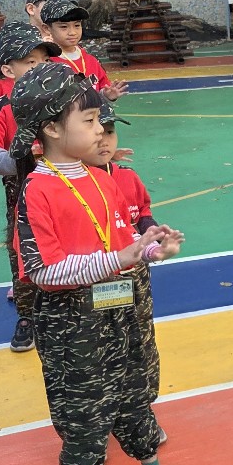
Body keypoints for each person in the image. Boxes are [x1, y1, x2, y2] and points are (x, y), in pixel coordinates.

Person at [9, 63, 184, 465]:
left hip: (122, 309)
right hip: (73, 324)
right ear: (51, 129)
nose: (99, 131)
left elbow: (123, 240)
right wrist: (119, 259)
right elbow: (44, 271)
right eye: (88, 121)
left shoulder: (104, 179)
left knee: (134, 390)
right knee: (81, 408)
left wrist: (153, 249)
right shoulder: (37, 190)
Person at [0, 24, 62, 351]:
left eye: (43, 61)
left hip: (68, 191)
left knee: (70, 246)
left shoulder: (64, 97)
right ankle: (27, 316)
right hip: (23, 197)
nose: (39, 68)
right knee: (24, 253)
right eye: (30, 62)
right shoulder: (2, 106)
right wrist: (19, 160)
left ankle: (70, 308)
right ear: (9, 70)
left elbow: (92, 129)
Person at [85, 98, 167, 439]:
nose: (104, 140)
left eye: (110, 132)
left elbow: (142, 212)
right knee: (101, 347)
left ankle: (141, 410)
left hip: (133, 277)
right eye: (96, 132)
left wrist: (154, 233)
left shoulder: (127, 177)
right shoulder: (71, 183)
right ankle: (102, 417)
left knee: (140, 343)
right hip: (96, 280)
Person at [41, 0, 127, 100]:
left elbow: (100, 88)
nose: (72, 32)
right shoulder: (46, 62)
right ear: (47, 29)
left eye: (77, 25)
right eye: (64, 27)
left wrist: (107, 94)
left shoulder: (91, 61)